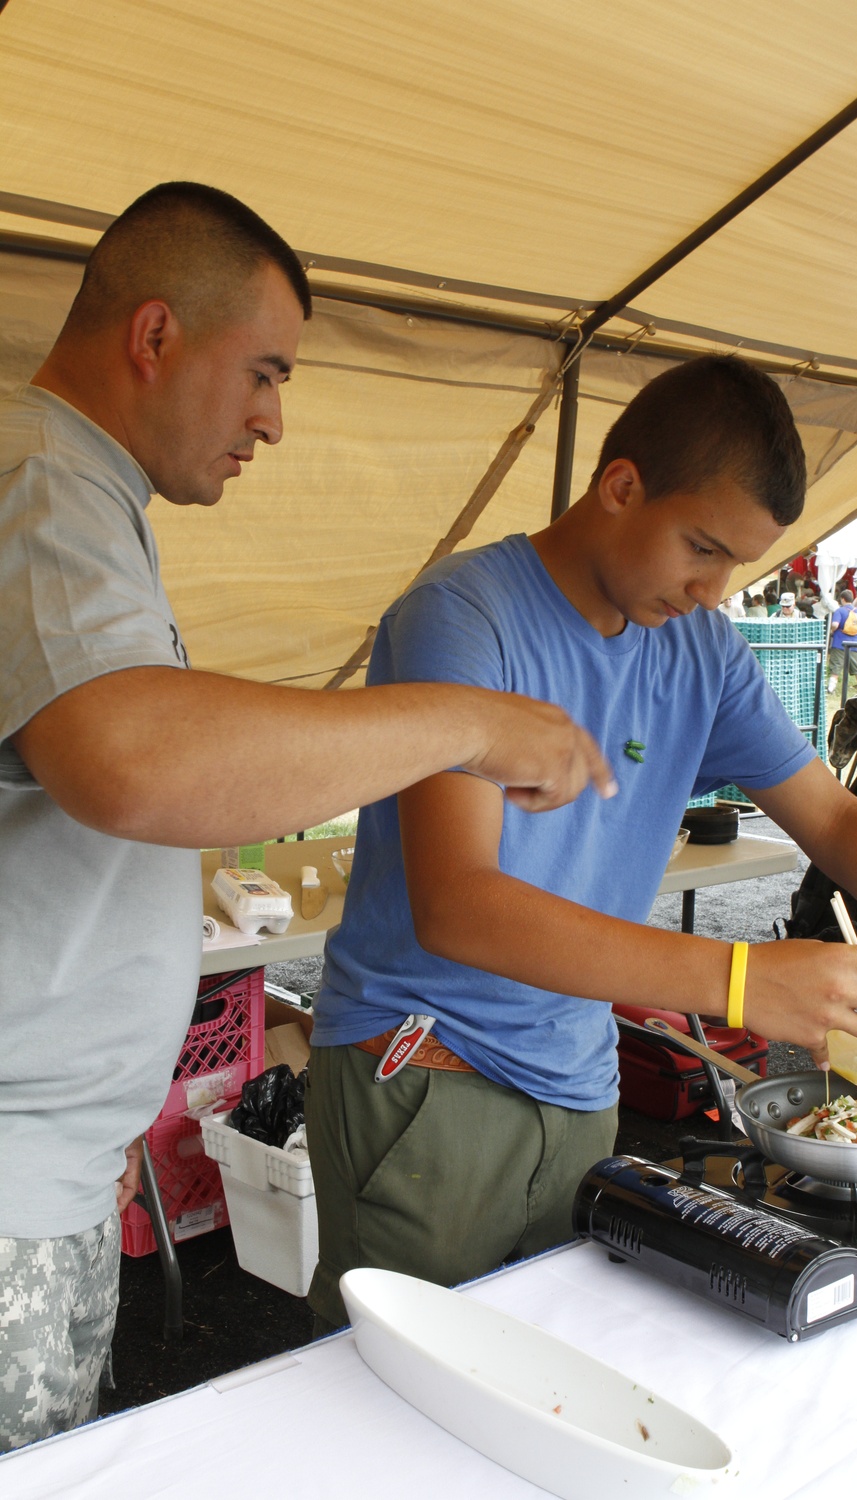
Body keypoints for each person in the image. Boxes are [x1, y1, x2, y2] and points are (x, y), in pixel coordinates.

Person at [0, 182, 613, 1453]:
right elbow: (133, 760)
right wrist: (467, 724)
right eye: (264, 372)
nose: (274, 419)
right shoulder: (41, 480)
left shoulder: (88, 501)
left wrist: (94, 1111)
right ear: (156, 335)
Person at [304, 355, 857, 1331]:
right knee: (394, 1410)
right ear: (620, 486)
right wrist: (743, 981)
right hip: (429, 1080)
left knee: (556, 1384)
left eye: (735, 567)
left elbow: (836, 818)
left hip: (580, 1082)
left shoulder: (698, 648)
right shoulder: (462, 618)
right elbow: (458, 903)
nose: (713, 591)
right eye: (700, 549)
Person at [827, 589, 857, 695]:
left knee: (836, 666)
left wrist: (833, 631)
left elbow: (835, 624)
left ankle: (831, 688)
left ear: (842, 599)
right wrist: (855, 632)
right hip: (854, 643)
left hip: (839, 642)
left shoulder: (839, 611)